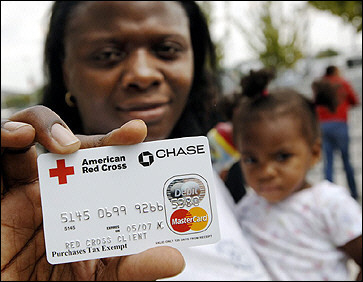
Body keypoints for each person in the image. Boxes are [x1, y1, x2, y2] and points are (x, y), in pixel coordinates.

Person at [1, 2, 270, 281]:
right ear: (66, 71)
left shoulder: (208, 168)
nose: (143, 74)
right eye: (107, 54)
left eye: (167, 49)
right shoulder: (35, 221)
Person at [231, 68, 362, 280]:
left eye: (282, 157)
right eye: (251, 159)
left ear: (314, 153)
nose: (266, 172)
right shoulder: (246, 210)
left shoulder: (330, 204)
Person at [316, 65, 360, 200]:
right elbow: (355, 101)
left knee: (328, 162)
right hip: (340, 124)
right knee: (346, 160)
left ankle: (329, 197)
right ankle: (353, 193)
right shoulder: (342, 83)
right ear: (336, 71)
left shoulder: (320, 85)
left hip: (323, 125)